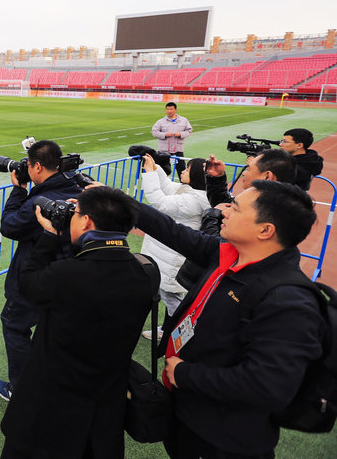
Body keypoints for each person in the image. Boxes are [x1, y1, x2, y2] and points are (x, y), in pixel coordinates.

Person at [136, 181, 325, 459]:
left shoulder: (287, 300)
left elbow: (269, 387)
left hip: (223, 440)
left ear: (265, 230)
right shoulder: (229, 255)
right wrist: (117, 200)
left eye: (235, 208)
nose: (224, 212)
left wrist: (186, 374)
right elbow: (173, 232)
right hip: (190, 416)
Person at [0, 186, 158, 459]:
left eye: (76, 215)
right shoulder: (146, 271)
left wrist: (50, 235)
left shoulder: (67, 275)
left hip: (48, 407)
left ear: (86, 221)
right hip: (104, 409)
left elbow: (27, 284)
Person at [0, 140, 83, 402]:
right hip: (67, 274)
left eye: (29, 165)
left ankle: (21, 389)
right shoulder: (75, 186)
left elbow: (9, 226)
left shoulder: (42, 201)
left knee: (14, 325)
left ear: (37, 166)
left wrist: (18, 190)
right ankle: (49, 377)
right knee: (49, 329)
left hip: (35, 275)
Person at [177, 148, 297, 292]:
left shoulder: (263, 215)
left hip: (215, 284)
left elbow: (218, 247)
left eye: (249, 168)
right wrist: (217, 178)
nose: (244, 172)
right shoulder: (262, 203)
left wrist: (211, 215)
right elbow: (225, 205)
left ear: (267, 176)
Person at [139, 155, 210, 341]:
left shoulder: (194, 200)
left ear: (195, 175)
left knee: (173, 299)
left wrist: (149, 174)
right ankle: (170, 331)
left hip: (173, 258)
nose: (183, 171)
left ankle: (171, 334)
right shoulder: (192, 191)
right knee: (169, 295)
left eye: (187, 169)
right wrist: (155, 169)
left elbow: (160, 202)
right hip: (168, 254)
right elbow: (169, 187)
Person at [152, 102, 192, 177]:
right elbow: (154, 132)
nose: (169, 111)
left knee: (181, 170)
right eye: (167, 109)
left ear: (175, 110)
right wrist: (164, 135)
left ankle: (184, 185)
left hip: (178, 150)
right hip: (163, 150)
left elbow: (189, 131)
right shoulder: (160, 121)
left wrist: (180, 134)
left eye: (171, 109)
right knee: (162, 171)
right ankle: (162, 187)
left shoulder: (183, 120)